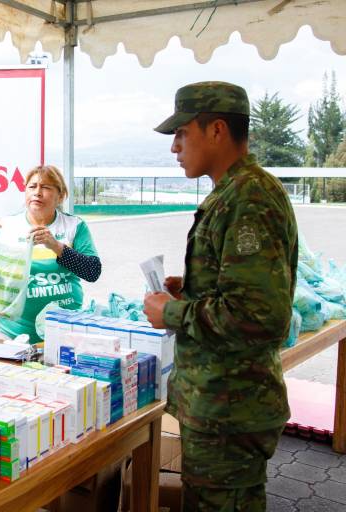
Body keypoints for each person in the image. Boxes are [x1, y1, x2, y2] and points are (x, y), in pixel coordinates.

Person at [142, 81, 298, 511]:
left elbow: (259, 315)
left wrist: (173, 312)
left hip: (231, 408)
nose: (175, 147)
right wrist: (189, 290)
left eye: (181, 133)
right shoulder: (234, 192)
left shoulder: (247, 197)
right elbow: (238, 292)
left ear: (216, 131)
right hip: (221, 405)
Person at [0, 165, 101, 343]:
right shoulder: (6, 225)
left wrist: (56, 246)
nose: (38, 192)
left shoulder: (74, 226)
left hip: (65, 330)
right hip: (14, 332)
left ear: (60, 195)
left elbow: (93, 271)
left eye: (46, 187)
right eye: (32, 187)